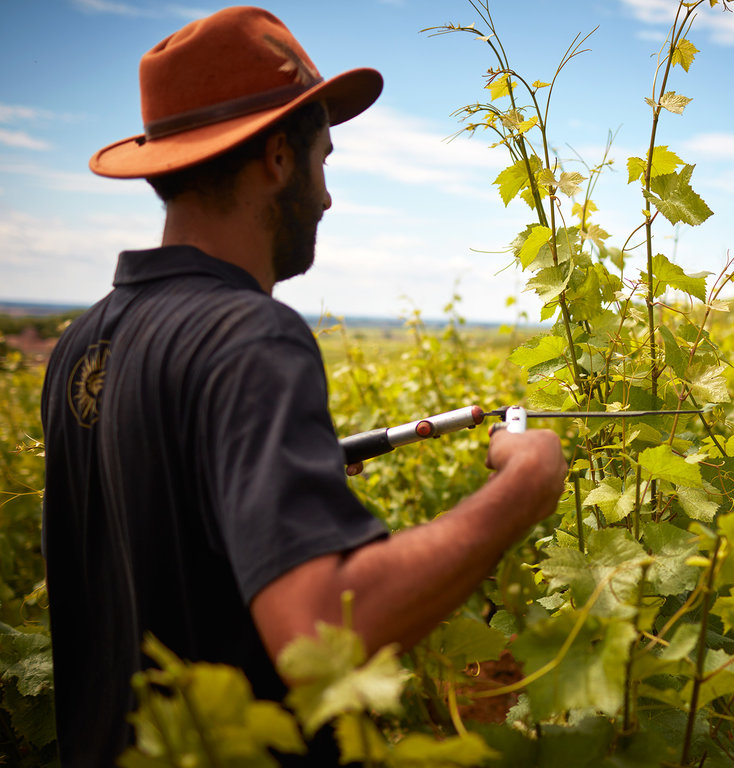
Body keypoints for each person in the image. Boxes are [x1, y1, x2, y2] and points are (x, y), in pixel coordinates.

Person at [39, 7, 567, 766]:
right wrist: (524, 486)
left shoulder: (83, 344)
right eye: (324, 159)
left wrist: (247, 493)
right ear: (278, 160)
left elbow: (121, 557)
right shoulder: (250, 335)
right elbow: (319, 631)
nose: (326, 197)